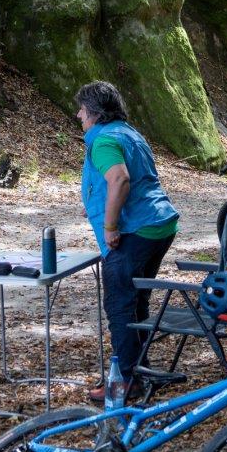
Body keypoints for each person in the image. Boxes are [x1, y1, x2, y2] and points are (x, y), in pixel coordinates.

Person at [75, 81, 180, 403]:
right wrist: (95, 201)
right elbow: (126, 180)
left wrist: (110, 226)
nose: (78, 115)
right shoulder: (129, 133)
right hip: (159, 224)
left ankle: (127, 381)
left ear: (95, 113)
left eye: (82, 110)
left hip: (135, 231)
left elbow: (120, 179)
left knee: (120, 305)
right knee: (137, 302)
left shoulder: (104, 140)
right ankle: (140, 371)